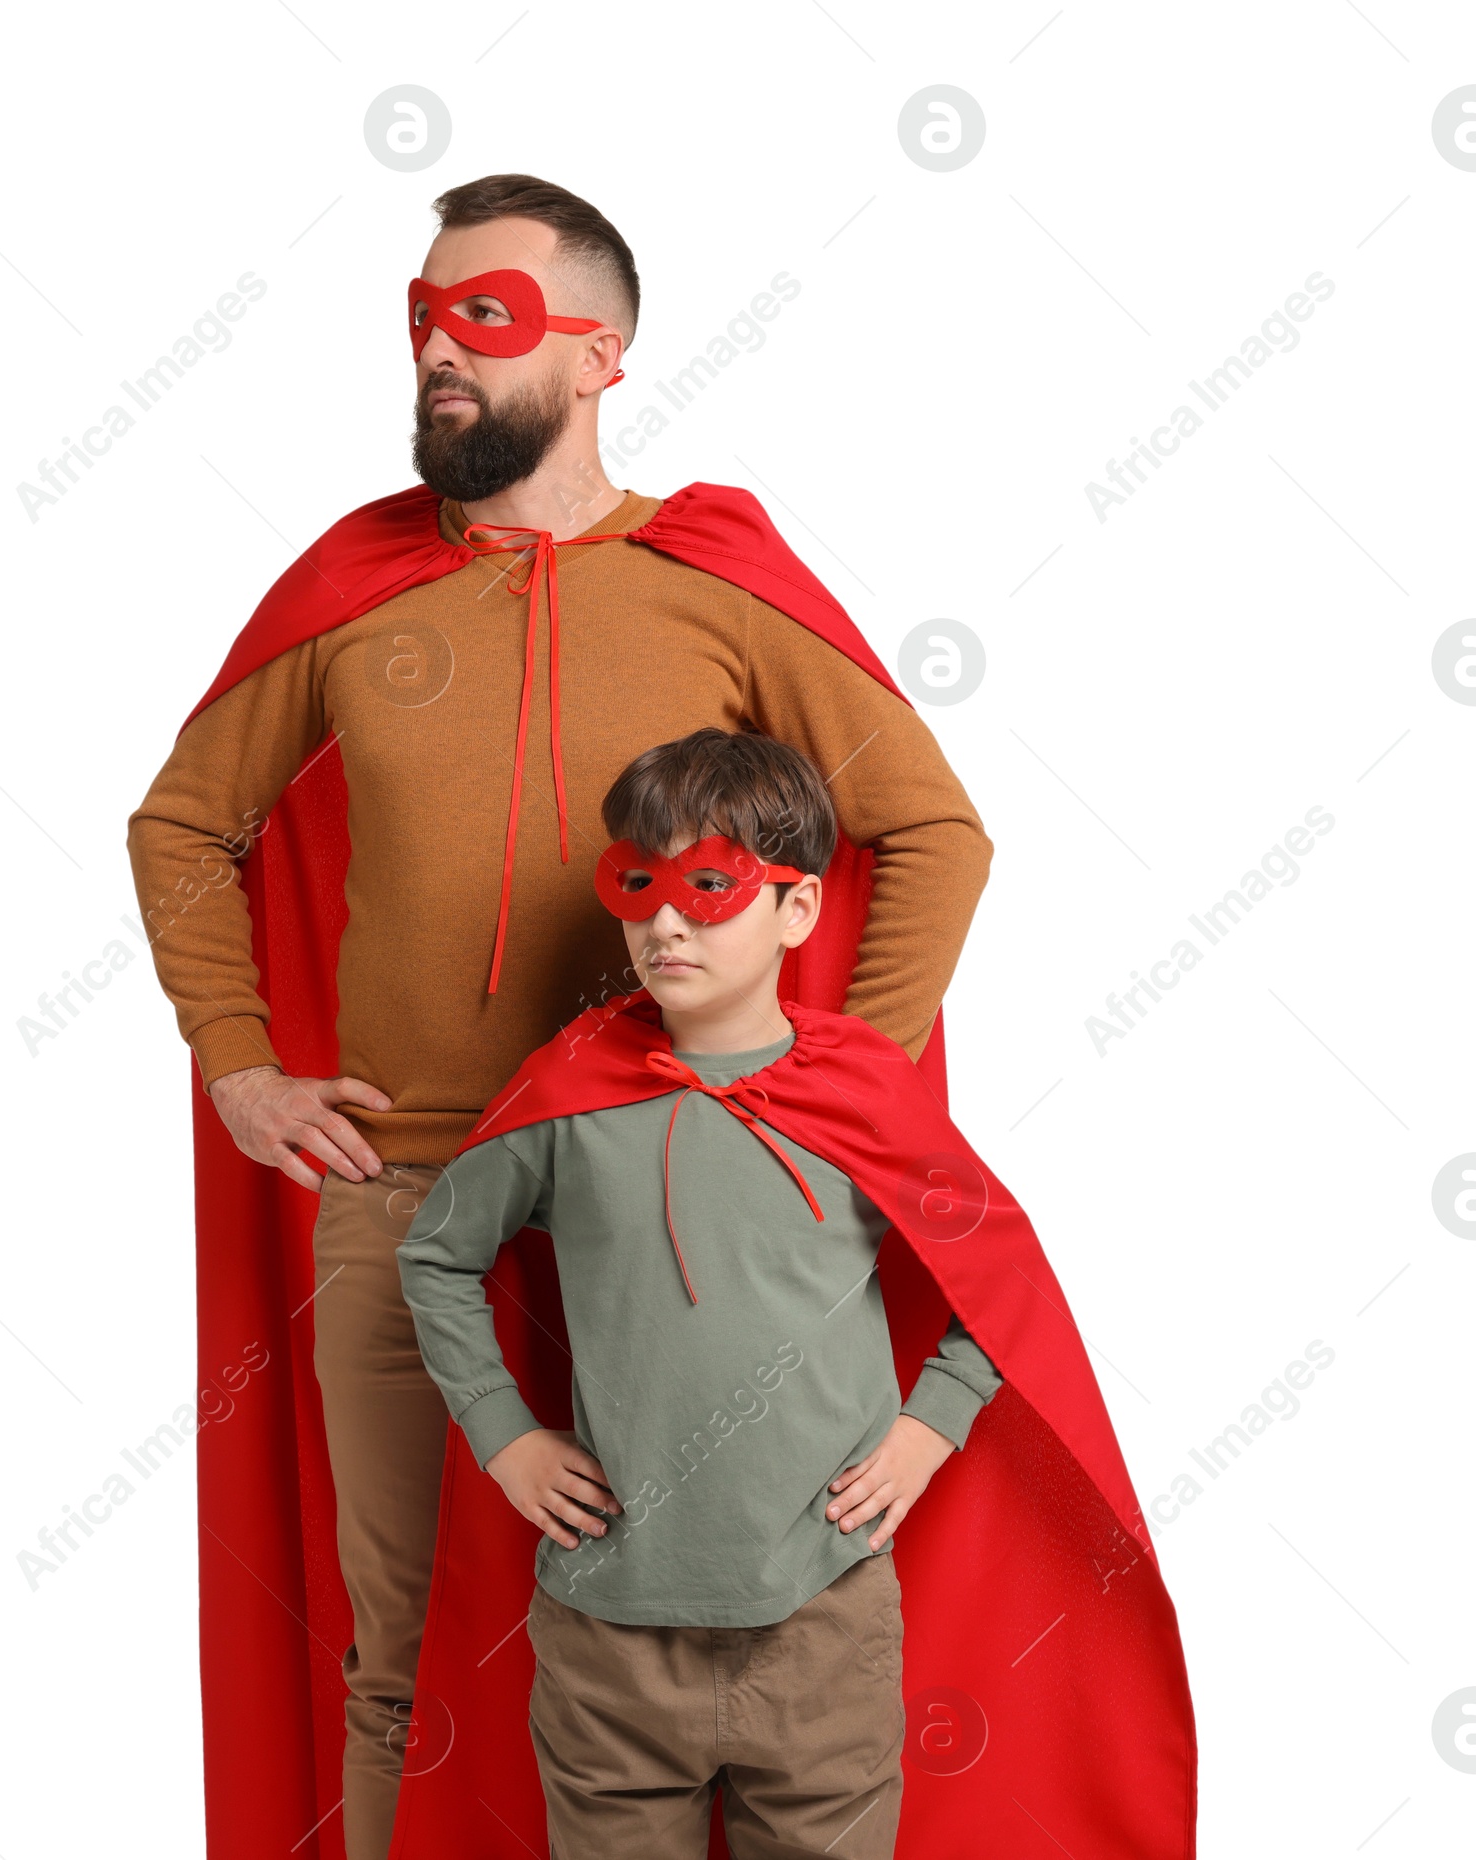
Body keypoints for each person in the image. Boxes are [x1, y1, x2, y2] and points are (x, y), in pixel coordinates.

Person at [126, 173, 994, 1860]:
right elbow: (183, 824)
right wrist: (236, 1061)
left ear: (599, 354)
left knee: (723, 1613)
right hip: (402, 1182)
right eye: (423, 316)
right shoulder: (351, 588)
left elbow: (933, 829)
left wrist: (838, 1084)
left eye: (487, 316)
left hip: (685, 1191)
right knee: (397, 1651)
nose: (440, 350)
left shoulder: (715, 580)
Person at [399, 728, 1003, 1857]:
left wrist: (930, 1430)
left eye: (709, 886)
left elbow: (999, 1280)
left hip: (821, 1620)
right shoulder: (565, 1098)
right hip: (609, 1635)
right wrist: (504, 1435)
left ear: (798, 909)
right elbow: (435, 1257)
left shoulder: (865, 1098)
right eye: (638, 884)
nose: (664, 922)